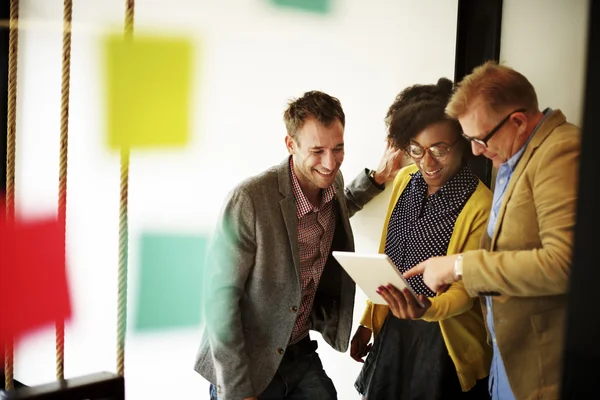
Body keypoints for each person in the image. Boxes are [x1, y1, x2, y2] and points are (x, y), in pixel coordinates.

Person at [194, 90, 404, 400]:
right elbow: (218, 300)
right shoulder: (249, 199)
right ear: (291, 144)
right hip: (247, 361)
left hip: (299, 351)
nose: (330, 162)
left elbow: (338, 207)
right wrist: (238, 389)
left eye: (338, 148)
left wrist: (377, 178)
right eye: (317, 150)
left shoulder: (331, 180)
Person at [404, 62, 580, 399]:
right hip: (505, 358)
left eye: (480, 139)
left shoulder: (560, 150)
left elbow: (565, 263)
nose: (475, 151)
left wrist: (458, 266)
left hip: (537, 370)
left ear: (517, 121)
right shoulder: (513, 153)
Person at [351, 77, 492, 400]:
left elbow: (466, 293)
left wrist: (425, 308)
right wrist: (370, 321)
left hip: (442, 342)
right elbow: (390, 259)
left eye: (439, 150)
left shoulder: (479, 205)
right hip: (395, 329)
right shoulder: (404, 179)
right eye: (416, 150)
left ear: (462, 141)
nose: (427, 162)